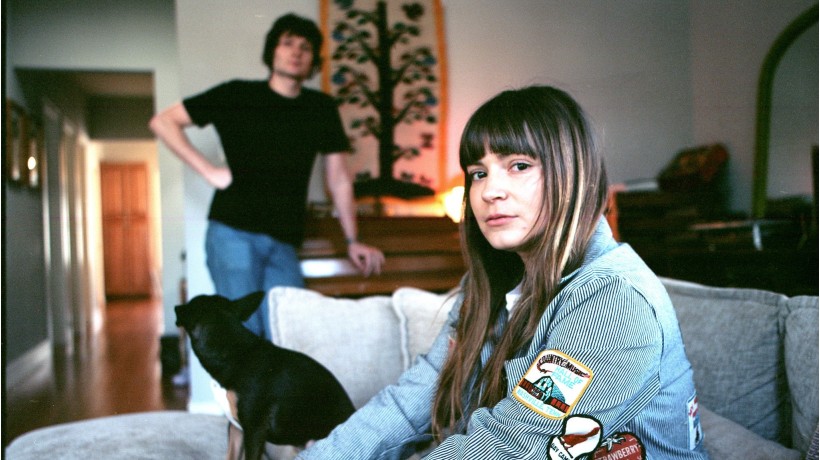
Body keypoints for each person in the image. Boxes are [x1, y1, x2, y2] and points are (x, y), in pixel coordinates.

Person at [298, 86, 707, 459]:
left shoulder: (613, 300)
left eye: (519, 165)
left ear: (572, 172)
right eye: (479, 173)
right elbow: (414, 399)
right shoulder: (495, 282)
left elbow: (508, 447)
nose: (489, 191)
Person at [150, 14, 384, 339]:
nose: (296, 52)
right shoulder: (238, 95)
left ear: (313, 60)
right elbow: (163, 122)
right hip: (233, 233)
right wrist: (210, 171)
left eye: (305, 47)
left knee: (288, 331)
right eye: (287, 43)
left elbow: (339, 179)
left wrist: (351, 240)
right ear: (273, 51)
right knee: (244, 336)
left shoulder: (320, 108)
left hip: (285, 240)